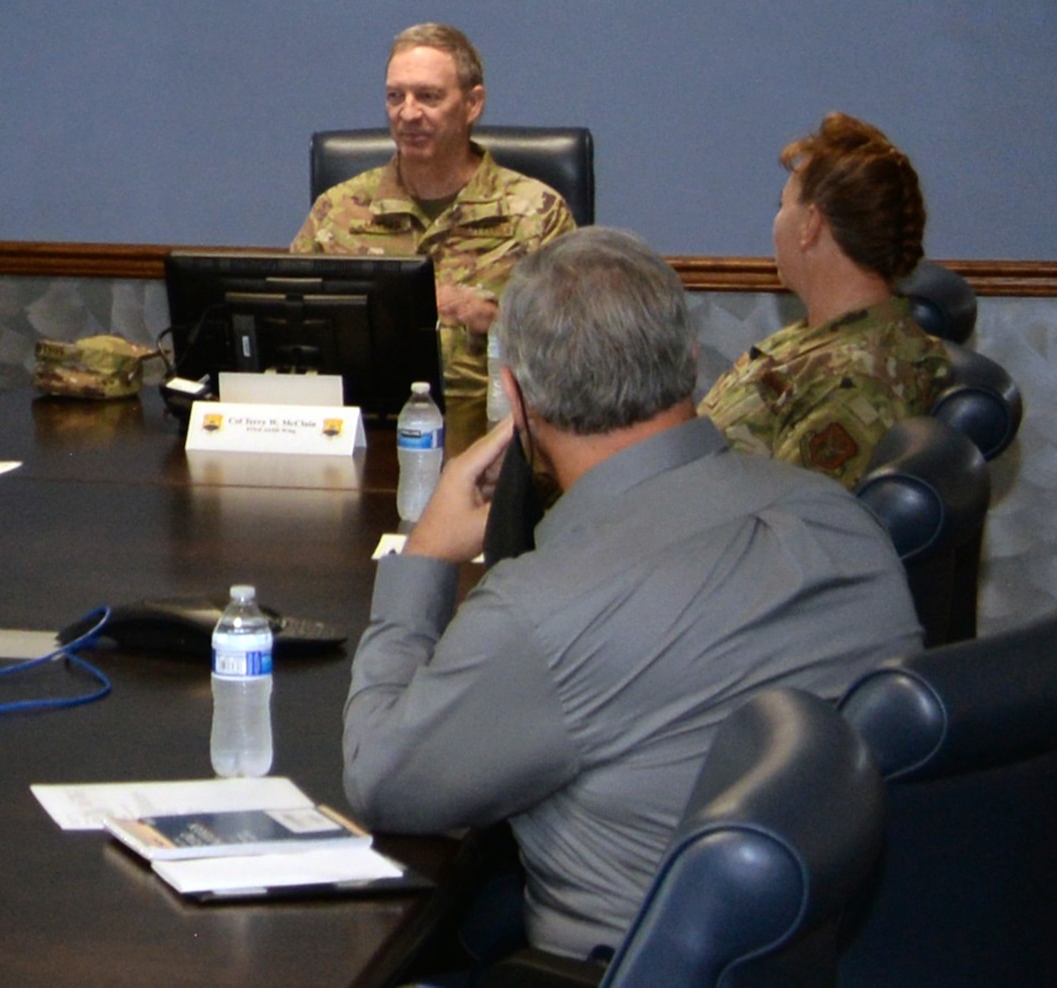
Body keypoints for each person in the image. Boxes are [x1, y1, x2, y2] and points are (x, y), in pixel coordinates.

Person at [342, 228, 920, 961]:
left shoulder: (539, 611)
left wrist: (424, 556)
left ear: (514, 398)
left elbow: (381, 780)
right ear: (690, 360)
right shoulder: (846, 520)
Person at [292, 22, 575, 452]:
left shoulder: (536, 213)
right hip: (361, 441)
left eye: (428, 96)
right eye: (395, 97)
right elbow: (289, 330)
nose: (408, 113)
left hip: (496, 448)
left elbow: (580, 354)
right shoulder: (339, 211)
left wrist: (489, 320)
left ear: (472, 103)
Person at [701, 112, 951, 489]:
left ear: (811, 225)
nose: (777, 221)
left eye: (782, 206)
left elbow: (794, 531)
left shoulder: (852, 384)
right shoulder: (820, 337)